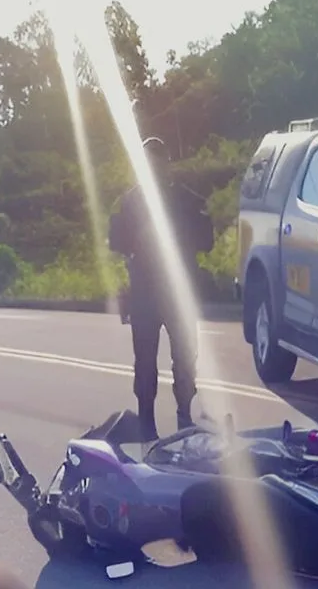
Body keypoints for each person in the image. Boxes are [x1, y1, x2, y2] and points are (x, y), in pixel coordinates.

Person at [109, 137, 214, 441]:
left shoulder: (180, 200)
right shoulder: (135, 201)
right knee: (152, 359)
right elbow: (117, 243)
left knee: (180, 357)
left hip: (167, 291)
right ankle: (152, 422)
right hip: (150, 291)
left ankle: (176, 418)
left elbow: (206, 241)